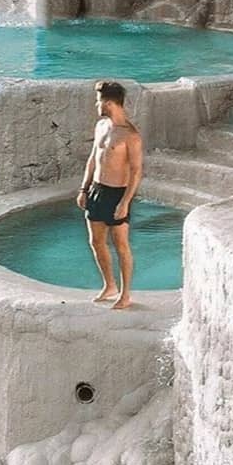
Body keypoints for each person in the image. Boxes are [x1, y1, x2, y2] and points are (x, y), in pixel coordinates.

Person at [76, 80, 144, 310]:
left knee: (121, 245)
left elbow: (136, 172)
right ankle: (109, 285)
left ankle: (125, 294)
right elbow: (92, 159)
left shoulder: (131, 136)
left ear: (109, 102)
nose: (96, 104)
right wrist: (84, 189)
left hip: (117, 193)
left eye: (98, 100)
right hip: (97, 189)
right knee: (95, 242)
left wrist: (125, 202)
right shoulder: (101, 126)